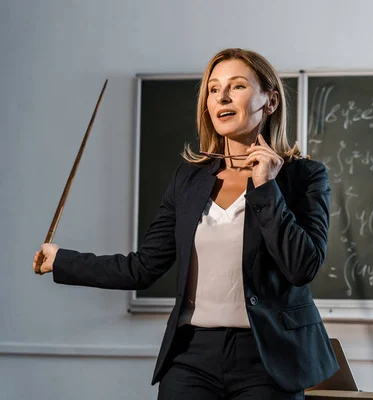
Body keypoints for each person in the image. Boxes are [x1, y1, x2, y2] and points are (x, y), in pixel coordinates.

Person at [32, 48, 339, 399]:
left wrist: (267, 186)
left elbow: (303, 266)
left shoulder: (303, 177)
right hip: (192, 357)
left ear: (269, 101)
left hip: (268, 360)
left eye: (236, 86)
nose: (221, 96)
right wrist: (62, 260)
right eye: (213, 89)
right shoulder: (188, 180)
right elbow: (142, 268)